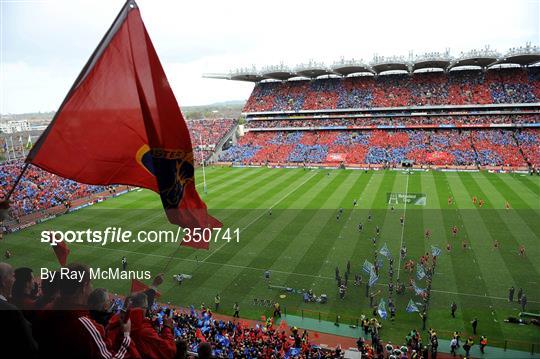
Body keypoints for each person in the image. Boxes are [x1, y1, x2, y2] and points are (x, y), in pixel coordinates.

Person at [0, 263, 38, 359]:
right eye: (12, 277)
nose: (14, 280)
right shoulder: (11, 310)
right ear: (4, 282)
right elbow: (30, 346)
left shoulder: (11, 303)